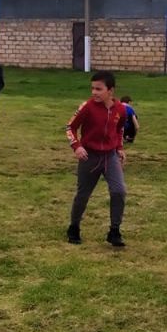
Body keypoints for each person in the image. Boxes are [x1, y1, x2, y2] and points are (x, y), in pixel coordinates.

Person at [64, 71, 128, 248]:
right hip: (89, 157)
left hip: (110, 157)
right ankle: (74, 227)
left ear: (111, 91)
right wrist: (77, 146)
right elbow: (70, 127)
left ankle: (114, 231)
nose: (94, 92)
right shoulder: (87, 107)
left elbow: (119, 129)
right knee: (83, 195)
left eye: (99, 89)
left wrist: (119, 148)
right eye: (92, 88)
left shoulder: (121, 109)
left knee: (119, 191)